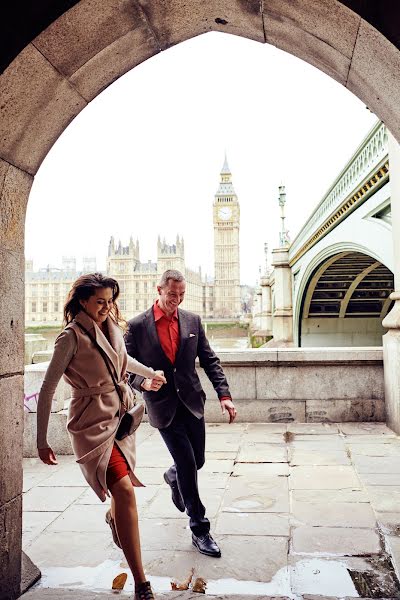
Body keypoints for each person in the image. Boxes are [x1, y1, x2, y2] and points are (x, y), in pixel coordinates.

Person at [36, 273, 166, 600]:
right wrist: (41, 439)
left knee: (121, 492)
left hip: (119, 414)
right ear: (82, 301)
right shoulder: (69, 337)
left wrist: (150, 373)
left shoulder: (111, 327)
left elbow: (122, 362)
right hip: (91, 423)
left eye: (110, 301)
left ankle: (114, 516)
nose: (107, 307)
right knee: (123, 488)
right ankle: (141, 582)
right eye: (100, 301)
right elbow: (48, 388)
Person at [125, 269, 237, 558]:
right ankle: (200, 528)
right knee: (188, 463)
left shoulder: (193, 321)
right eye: (172, 294)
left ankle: (172, 476)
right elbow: (124, 367)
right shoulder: (137, 326)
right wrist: (143, 382)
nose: (177, 299)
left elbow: (210, 360)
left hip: (191, 402)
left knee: (196, 461)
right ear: (159, 289)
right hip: (162, 406)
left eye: (182, 294)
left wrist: (224, 396)